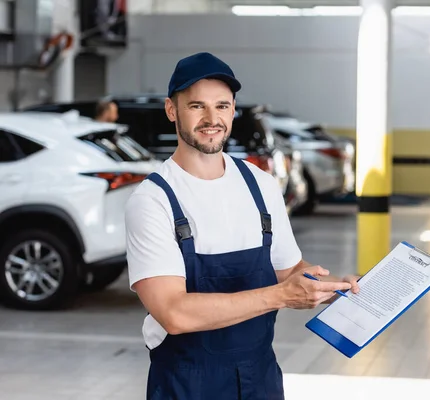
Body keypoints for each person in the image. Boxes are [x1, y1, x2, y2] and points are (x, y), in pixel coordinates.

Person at [124, 52, 360, 400]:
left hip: (261, 377)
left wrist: (335, 287)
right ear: (172, 110)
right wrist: (280, 296)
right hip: (188, 384)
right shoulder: (153, 200)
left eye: (222, 106)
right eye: (196, 106)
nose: (211, 118)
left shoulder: (260, 185)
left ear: (233, 110)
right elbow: (173, 313)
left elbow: (289, 268)